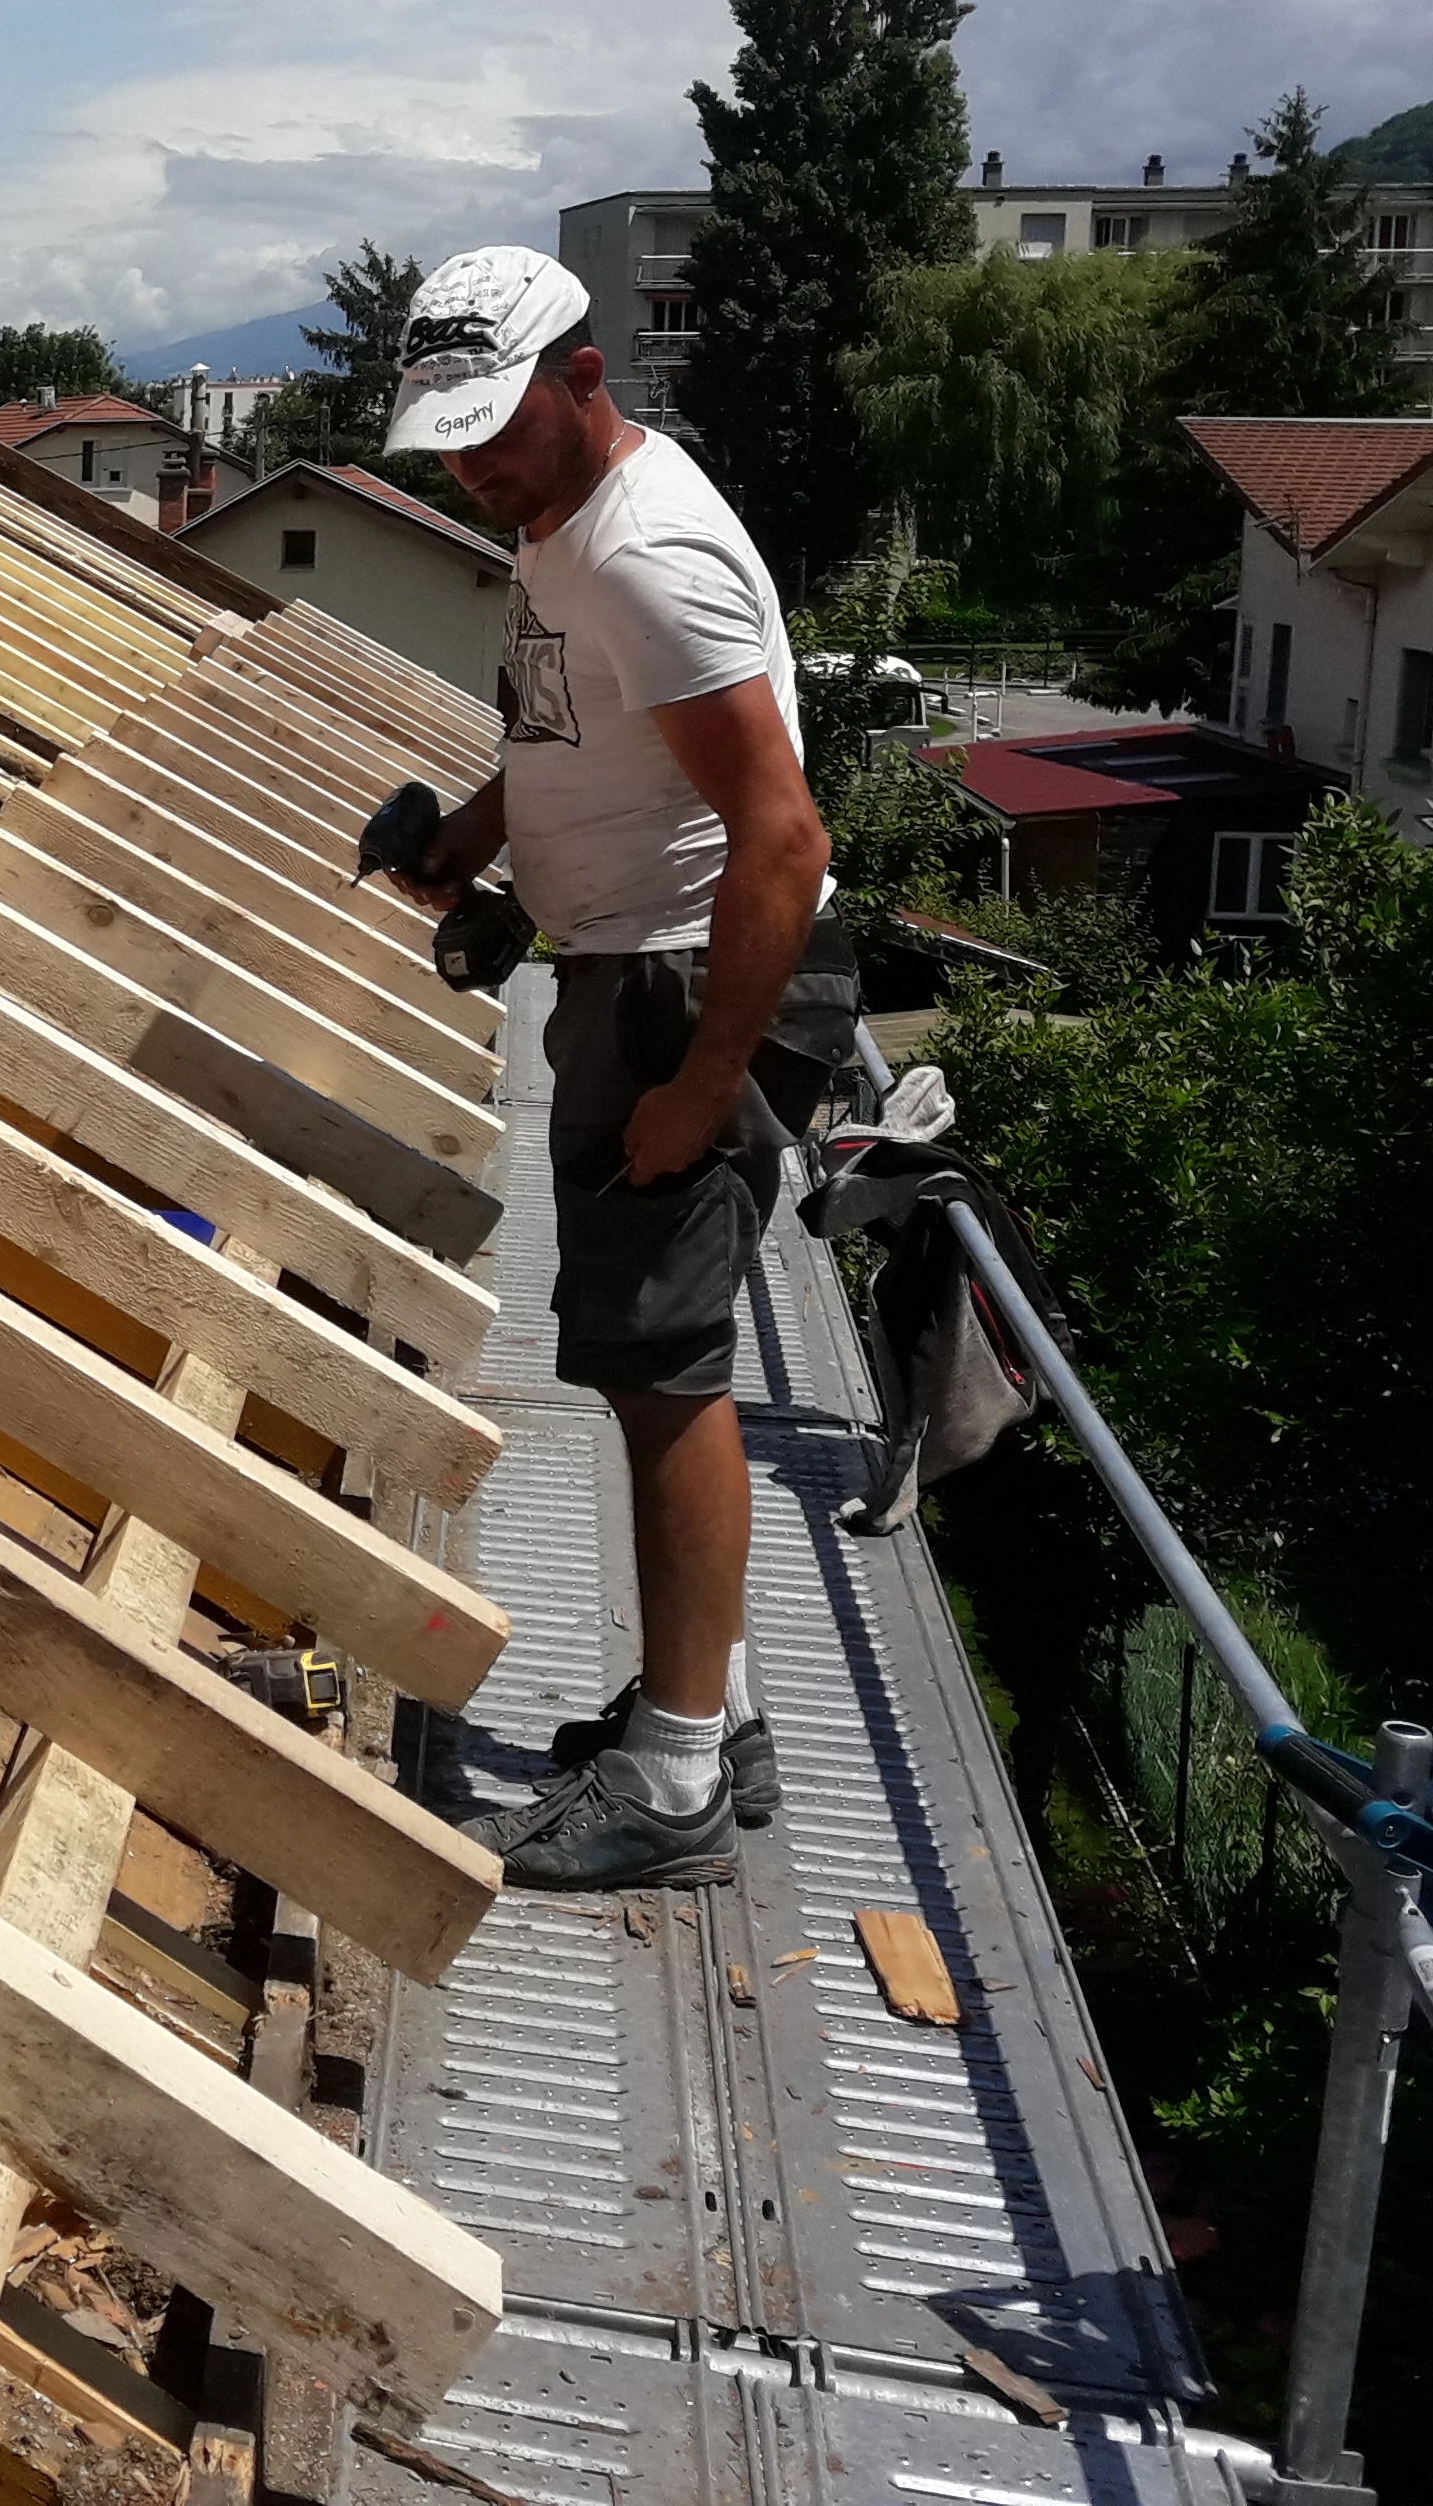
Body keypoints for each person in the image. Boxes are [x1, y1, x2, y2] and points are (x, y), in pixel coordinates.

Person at [379, 246, 857, 1892]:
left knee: (662, 1376)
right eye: (446, 438)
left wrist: (698, 1076)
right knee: (647, 1366)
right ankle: (697, 1720)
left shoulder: (644, 554)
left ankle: (667, 1781)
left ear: (585, 381)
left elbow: (781, 837)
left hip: (682, 987)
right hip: (632, 971)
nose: (471, 465)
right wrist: (471, 828)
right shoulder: (558, 527)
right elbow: (570, 730)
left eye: (496, 429)